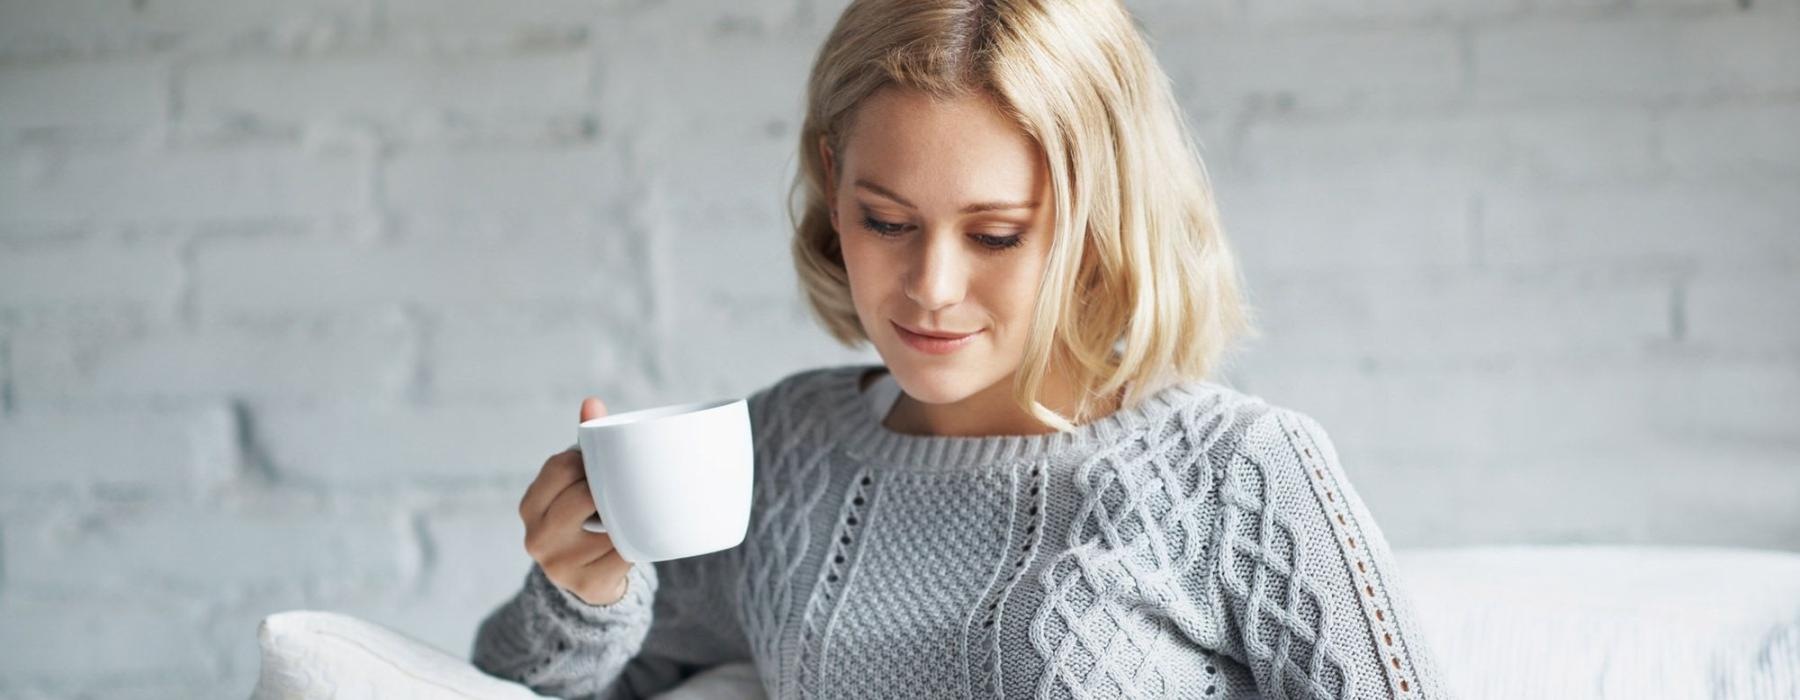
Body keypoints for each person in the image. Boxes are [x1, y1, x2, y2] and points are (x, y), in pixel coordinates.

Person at [472, 0, 1451, 697]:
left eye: (996, 234)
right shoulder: (780, 457)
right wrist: (582, 587)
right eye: (887, 221)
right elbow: (524, 685)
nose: (932, 287)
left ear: (1100, 223)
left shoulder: (1241, 472)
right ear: (831, 181)